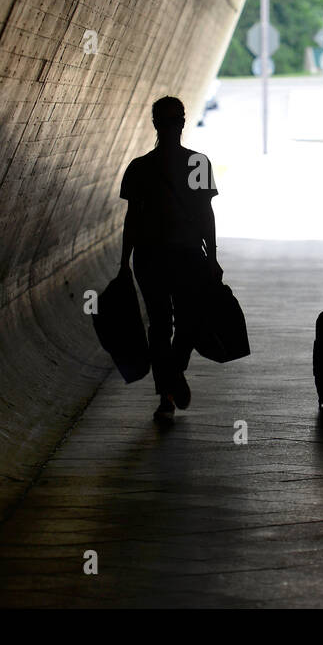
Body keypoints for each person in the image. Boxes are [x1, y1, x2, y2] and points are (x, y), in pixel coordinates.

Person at [119, 96, 220, 420]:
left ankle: (167, 390)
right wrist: (213, 256)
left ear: (155, 124)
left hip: (150, 258)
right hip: (188, 256)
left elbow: (132, 220)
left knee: (160, 325)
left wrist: (124, 261)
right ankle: (173, 377)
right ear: (182, 123)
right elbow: (206, 214)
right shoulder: (198, 164)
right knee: (188, 322)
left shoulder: (140, 168)